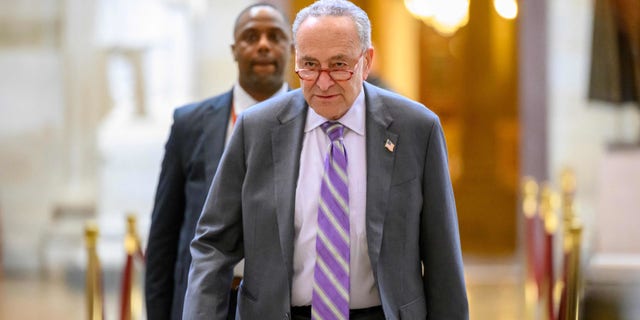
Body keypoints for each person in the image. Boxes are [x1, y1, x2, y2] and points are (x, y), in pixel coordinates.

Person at [183, 0, 469, 319]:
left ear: (366, 60)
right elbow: (214, 246)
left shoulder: (416, 129)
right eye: (309, 65)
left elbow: (443, 261)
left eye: (338, 65)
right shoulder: (256, 129)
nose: (323, 81)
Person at [144, 3, 293, 320]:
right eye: (251, 36)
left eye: (275, 36)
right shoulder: (190, 123)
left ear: (291, 48)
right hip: (208, 303)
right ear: (234, 49)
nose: (263, 44)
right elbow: (163, 236)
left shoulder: (314, 121)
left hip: (287, 306)